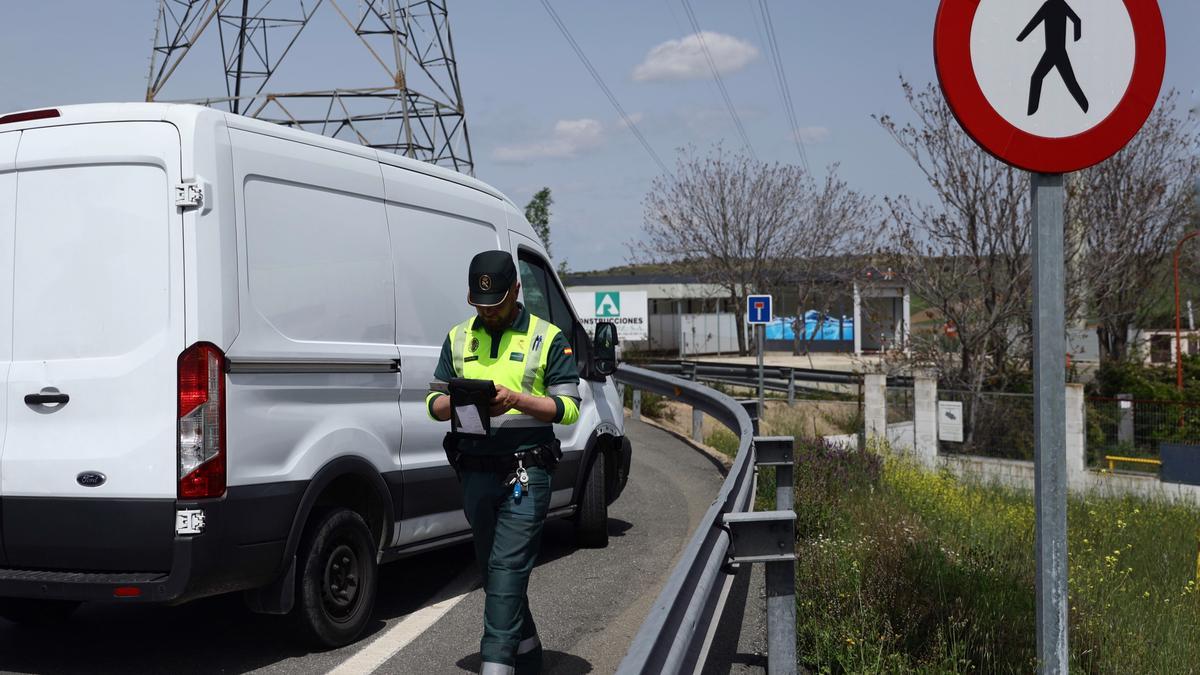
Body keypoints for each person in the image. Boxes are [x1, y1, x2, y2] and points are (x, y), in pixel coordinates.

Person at [426, 250, 581, 675]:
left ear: (516, 291)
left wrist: (516, 399)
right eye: (480, 306)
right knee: (494, 573)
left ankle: (496, 664)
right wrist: (457, 400)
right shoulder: (458, 337)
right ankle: (529, 655)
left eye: (496, 306)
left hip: (525, 473)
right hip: (474, 470)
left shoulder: (547, 337)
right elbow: (432, 401)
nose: (488, 314)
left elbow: (568, 409)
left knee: (508, 568)